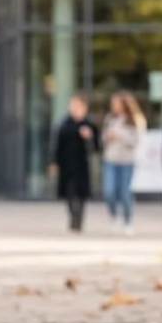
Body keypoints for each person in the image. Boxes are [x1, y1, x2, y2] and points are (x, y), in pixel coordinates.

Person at [49, 95, 97, 232]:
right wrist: (53, 162)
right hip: (66, 164)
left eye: (78, 106)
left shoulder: (89, 124)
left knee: (81, 193)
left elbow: (96, 147)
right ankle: (73, 216)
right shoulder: (64, 124)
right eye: (73, 106)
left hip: (82, 164)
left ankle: (79, 218)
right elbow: (57, 145)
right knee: (69, 192)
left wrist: (89, 137)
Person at [100, 92, 146, 233]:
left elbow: (136, 141)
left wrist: (120, 135)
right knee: (109, 191)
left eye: (116, 103)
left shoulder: (134, 120)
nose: (114, 106)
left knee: (125, 193)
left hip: (126, 161)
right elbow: (103, 138)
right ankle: (114, 216)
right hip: (110, 160)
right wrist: (107, 137)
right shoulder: (109, 119)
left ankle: (128, 221)